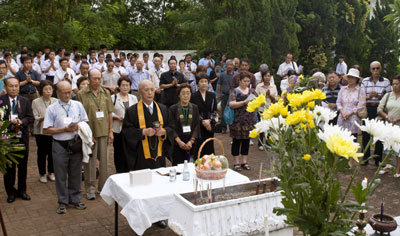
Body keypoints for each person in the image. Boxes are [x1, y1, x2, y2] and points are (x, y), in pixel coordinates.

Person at [43, 80, 89, 214]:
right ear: (57, 93)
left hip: (75, 144)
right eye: (64, 93)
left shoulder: (77, 105)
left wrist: (79, 127)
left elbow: (85, 121)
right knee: (61, 175)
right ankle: (62, 201)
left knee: (75, 173)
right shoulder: (52, 108)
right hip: (59, 145)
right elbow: (46, 130)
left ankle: (75, 199)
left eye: (69, 92)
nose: (67, 95)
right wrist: (64, 129)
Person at [76, 69, 114, 200]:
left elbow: (109, 112)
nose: (97, 81)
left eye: (99, 78)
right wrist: (86, 134)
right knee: (90, 163)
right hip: (89, 134)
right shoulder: (81, 94)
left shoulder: (106, 93)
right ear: (89, 79)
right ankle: (90, 188)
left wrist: (110, 131)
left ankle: (103, 187)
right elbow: (80, 116)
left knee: (104, 162)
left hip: (103, 131)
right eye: (94, 79)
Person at [0, 77, 34, 203]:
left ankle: (22, 190)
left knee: (23, 166)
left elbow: (30, 118)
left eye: (16, 86)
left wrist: (22, 121)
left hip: (22, 138)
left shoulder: (24, 101)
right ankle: (10, 192)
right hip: (6, 140)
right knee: (9, 168)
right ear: (6, 87)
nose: (14, 88)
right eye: (11, 86)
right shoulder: (1, 101)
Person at [361, 61, 392, 165]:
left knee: (379, 135)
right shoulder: (365, 81)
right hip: (368, 109)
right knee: (366, 134)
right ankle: (365, 158)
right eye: (373, 68)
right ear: (370, 69)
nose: (375, 70)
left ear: (380, 69)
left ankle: (378, 159)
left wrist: (380, 97)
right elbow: (360, 97)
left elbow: (389, 97)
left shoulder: (386, 82)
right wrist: (368, 97)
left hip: (379, 110)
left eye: (377, 68)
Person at [228, 72, 257, 171]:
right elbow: (231, 104)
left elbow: (258, 102)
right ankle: (236, 162)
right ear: (239, 81)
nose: (246, 83)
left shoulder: (252, 91)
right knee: (236, 141)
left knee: (246, 141)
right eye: (244, 81)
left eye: (248, 81)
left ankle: (244, 161)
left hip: (249, 121)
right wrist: (244, 102)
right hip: (237, 121)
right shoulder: (234, 91)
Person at [32, 80, 57, 183]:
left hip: (53, 131)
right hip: (41, 131)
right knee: (42, 153)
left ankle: (51, 172)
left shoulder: (56, 101)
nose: (48, 91)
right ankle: (42, 173)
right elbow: (35, 117)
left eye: (50, 89)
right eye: (46, 89)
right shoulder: (36, 102)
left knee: (52, 153)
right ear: (41, 90)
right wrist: (43, 117)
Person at [169, 84, 200, 165]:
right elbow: (171, 127)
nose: (186, 96)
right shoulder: (173, 109)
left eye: (188, 93)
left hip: (191, 143)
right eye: (183, 93)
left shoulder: (195, 107)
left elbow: (197, 125)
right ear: (179, 95)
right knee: (178, 166)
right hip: (178, 144)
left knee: (191, 165)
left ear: (191, 94)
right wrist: (179, 141)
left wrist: (192, 141)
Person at [111, 78, 138, 173]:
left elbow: (136, 111)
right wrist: (117, 117)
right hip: (118, 129)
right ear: (119, 86)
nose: (125, 87)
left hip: (130, 129)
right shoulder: (113, 98)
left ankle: (129, 168)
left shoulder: (133, 98)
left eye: (127, 85)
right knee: (119, 150)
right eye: (123, 85)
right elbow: (109, 112)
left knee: (130, 149)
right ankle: (119, 170)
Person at [378, 75, 400, 177]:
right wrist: (387, 117)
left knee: (398, 148)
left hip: (399, 126)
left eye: (397, 84)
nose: (395, 86)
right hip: (389, 125)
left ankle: (398, 170)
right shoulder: (387, 95)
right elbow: (380, 109)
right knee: (386, 146)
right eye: (393, 84)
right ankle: (386, 166)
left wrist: (397, 119)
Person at [190, 73, 217, 157]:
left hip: (209, 126)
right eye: (201, 81)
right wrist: (202, 121)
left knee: (209, 146)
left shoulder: (212, 95)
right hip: (198, 126)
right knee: (198, 147)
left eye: (206, 81)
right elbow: (193, 111)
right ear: (197, 83)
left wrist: (209, 120)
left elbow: (214, 110)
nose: (204, 83)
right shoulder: (193, 96)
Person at [336, 68, 366, 137]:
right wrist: (342, 113)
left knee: (353, 140)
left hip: (353, 119)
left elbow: (361, 105)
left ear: (356, 79)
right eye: (349, 77)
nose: (350, 79)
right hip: (342, 118)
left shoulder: (360, 90)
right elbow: (338, 102)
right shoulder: (343, 89)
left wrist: (349, 114)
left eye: (352, 78)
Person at [255, 69, 277, 150]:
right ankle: (260, 143)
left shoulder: (273, 86)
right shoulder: (259, 86)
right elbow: (257, 99)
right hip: (261, 109)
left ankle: (268, 143)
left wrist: (270, 96)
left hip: (270, 109)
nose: (267, 77)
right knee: (261, 126)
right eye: (265, 76)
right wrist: (265, 95)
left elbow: (276, 99)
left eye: (268, 76)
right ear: (263, 77)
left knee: (270, 126)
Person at [217, 59, 236, 133]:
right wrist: (219, 94)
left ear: (233, 66)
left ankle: (233, 127)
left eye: (231, 64)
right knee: (224, 111)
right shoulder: (222, 74)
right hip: (225, 95)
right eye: (227, 65)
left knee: (234, 112)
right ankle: (223, 128)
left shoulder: (236, 75)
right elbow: (219, 84)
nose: (229, 66)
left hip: (234, 96)